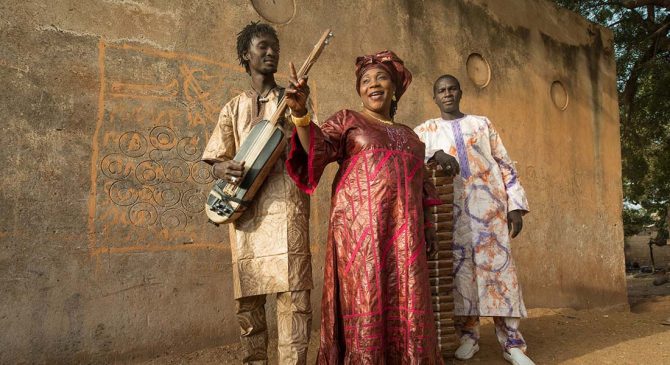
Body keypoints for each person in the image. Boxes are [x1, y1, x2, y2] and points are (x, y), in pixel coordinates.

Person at [284, 50, 444, 364]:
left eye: (382, 77)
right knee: (366, 298)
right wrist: (301, 115)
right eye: (366, 80)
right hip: (360, 239)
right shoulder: (348, 120)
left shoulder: (412, 138)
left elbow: (422, 188)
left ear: (395, 87)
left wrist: (428, 229)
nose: (374, 84)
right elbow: (318, 148)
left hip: (405, 241)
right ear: (359, 90)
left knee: (407, 298)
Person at [201, 22, 313, 365]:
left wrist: (300, 111)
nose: (270, 52)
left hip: (288, 210)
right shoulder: (233, 107)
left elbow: (310, 152)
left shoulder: (296, 98)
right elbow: (216, 158)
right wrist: (221, 168)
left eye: (274, 47)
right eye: (262, 47)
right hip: (246, 213)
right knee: (249, 302)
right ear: (245, 55)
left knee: (294, 299)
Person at [414, 75, 535, 365]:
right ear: (434, 97)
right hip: (450, 213)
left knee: (500, 273)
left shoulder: (482, 124)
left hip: (489, 210)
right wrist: (435, 153)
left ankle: (513, 344)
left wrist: (515, 205)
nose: (447, 94)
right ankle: (469, 337)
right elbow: (411, 154)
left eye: (452, 88)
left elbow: (504, 162)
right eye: (441, 90)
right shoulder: (426, 130)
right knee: (461, 275)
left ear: (460, 92)